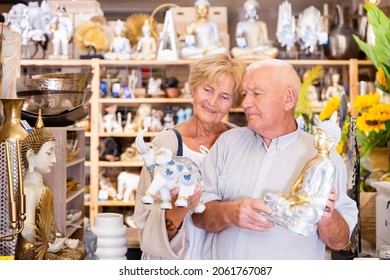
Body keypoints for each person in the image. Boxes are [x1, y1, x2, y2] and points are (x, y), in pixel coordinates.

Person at [192, 59, 358, 259]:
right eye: (244, 94)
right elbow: (198, 216)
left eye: (257, 94)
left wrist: (325, 216)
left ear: (288, 99)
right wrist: (229, 212)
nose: (245, 103)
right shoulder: (227, 143)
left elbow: (340, 241)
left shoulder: (325, 159)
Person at [133, 53, 246, 259]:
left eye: (224, 96)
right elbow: (143, 220)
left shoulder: (240, 142)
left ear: (233, 103)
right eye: (207, 89)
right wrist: (176, 211)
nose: (212, 101)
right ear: (193, 88)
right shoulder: (166, 144)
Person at [15, 112, 85, 260]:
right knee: (68, 259)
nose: (54, 158)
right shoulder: (28, 189)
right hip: (31, 250)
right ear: (30, 156)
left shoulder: (43, 186)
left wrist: (63, 241)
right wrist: (48, 246)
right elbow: (27, 231)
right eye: (49, 153)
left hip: (48, 244)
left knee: (80, 249)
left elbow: (50, 228)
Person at [264, 111, 342, 237]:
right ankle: (288, 212)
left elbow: (321, 197)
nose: (316, 139)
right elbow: (297, 184)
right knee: (270, 197)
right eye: (317, 135)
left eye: (320, 136)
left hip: (309, 205)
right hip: (298, 200)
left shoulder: (328, 165)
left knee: (308, 213)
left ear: (331, 142)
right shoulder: (312, 160)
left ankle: (291, 215)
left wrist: (305, 201)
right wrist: (293, 197)